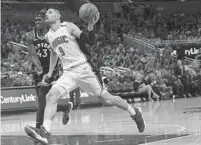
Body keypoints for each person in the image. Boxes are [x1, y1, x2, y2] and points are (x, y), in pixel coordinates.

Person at [24, 7, 145, 144]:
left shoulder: (68, 27)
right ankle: (45, 132)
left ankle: (134, 112)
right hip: (69, 73)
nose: (46, 14)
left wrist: (91, 26)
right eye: (46, 13)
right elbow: (53, 53)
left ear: (58, 16)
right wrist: (50, 73)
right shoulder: (49, 36)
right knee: (51, 96)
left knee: (106, 99)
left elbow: (90, 41)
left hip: (85, 68)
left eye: (50, 12)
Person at [23, 10, 73, 139]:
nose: (37, 23)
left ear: (45, 22)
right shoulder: (29, 36)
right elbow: (33, 55)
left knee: (41, 99)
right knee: (45, 101)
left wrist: (51, 72)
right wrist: (39, 71)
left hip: (52, 70)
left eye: (39, 20)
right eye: (35, 21)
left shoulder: (53, 35)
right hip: (38, 70)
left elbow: (57, 53)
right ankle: (64, 107)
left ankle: (39, 129)